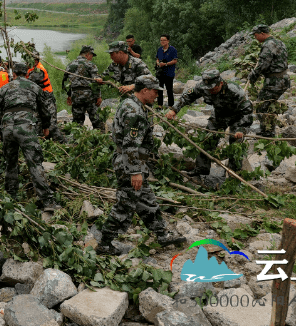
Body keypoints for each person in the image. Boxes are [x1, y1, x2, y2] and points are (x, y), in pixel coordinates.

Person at [97, 75, 186, 255]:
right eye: (154, 92)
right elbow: (130, 144)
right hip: (129, 164)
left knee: (146, 199)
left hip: (132, 162)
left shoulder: (133, 104)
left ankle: (162, 235)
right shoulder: (134, 112)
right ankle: (104, 244)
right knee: (125, 204)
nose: (156, 95)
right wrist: (135, 171)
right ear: (144, 90)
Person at [0, 61, 58, 212]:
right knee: (34, 163)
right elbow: (45, 110)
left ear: (13, 74)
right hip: (26, 128)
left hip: (7, 129)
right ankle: (48, 202)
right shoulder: (35, 87)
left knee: (11, 163)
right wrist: (46, 128)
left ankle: (10, 199)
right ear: (27, 74)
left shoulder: (4, 88)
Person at [166, 69, 252, 185]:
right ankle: (201, 170)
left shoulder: (235, 90)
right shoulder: (202, 86)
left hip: (238, 116)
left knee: (236, 143)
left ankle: (234, 175)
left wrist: (242, 129)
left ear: (220, 83)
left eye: (213, 89)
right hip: (219, 114)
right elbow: (187, 96)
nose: (210, 91)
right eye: (208, 89)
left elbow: (248, 112)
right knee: (208, 138)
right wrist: (174, 109)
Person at [247, 24, 290, 138]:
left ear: (262, 34)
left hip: (274, 81)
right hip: (283, 79)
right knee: (269, 104)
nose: (255, 38)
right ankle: (268, 130)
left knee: (261, 105)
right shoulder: (279, 42)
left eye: (256, 35)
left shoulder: (267, 45)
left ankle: (268, 132)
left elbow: (263, 65)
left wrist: (253, 76)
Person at [63, 45, 104, 131]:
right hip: (89, 96)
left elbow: (66, 82)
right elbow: (96, 82)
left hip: (75, 95)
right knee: (96, 120)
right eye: (92, 56)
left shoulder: (70, 65)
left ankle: (76, 140)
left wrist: (69, 95)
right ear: (87, 54)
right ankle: (101, 138)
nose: (92, 58)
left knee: (77, 122)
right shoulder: (90, 64)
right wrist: (98, 96)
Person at [155, 35, 178, 108]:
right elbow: (157, 58)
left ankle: (171, 105)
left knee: (169, 90)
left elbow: (175, 60)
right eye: (161, 40)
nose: (162, 42)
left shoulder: (172, 49)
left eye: (164, 40)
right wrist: (158, 63)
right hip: (160, 73)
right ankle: (159, 105)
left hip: (169, 72)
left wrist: (165, 64)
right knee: (159, 89)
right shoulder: (159, 50)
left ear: (168, 41)